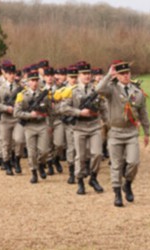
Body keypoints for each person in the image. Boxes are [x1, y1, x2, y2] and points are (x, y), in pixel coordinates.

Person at [95, 60, 150, 207]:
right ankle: (117, 194)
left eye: (127, 73)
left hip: (131, 132)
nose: (126, 76)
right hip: (115, 132)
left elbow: (143, 113)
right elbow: (98, 89)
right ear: (117, 76)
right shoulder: (111, 90)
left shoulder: (137, 91)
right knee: (116, 165)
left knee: (133, 162)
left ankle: (128, 184)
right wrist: (108, 75)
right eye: (122, 74)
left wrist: (147, 132)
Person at [60, 61, 106, 195]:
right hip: (79, 126)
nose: (87, 76)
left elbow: (103, 107)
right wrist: (79, 112)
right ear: (79, 75)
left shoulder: (96, 90)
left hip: (94, 125)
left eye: (88, 73)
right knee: (80, 156)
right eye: (84, 73)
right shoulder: (71, 90)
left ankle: (93, 178)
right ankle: (80, 181)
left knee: (97, 153)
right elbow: (63, 107)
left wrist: (108, 122)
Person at [14, 71, 52, 183]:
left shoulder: (45, 95)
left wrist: (50, 124)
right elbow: (16, 113)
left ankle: (41, 164)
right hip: (29, 126)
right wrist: (30, 115)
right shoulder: (21, 95)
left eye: (36, 80)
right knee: (31, 152)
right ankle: (34, 172)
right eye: (32, 80)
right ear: (28, 82)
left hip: (42, 125)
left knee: (44, 151)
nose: (34, 83)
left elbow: (50, 111)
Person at [0, 64, 25, 175]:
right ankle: (7, 163)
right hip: (5, 119)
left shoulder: (21, 87)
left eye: (13, 73)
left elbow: (24, 101)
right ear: (5, 74)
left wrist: (16, 108)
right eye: (9, 74)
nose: (11, 76)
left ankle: (17, 160)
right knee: (6, 143)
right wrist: (6, 108)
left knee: (19, 140)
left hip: (17, 119)